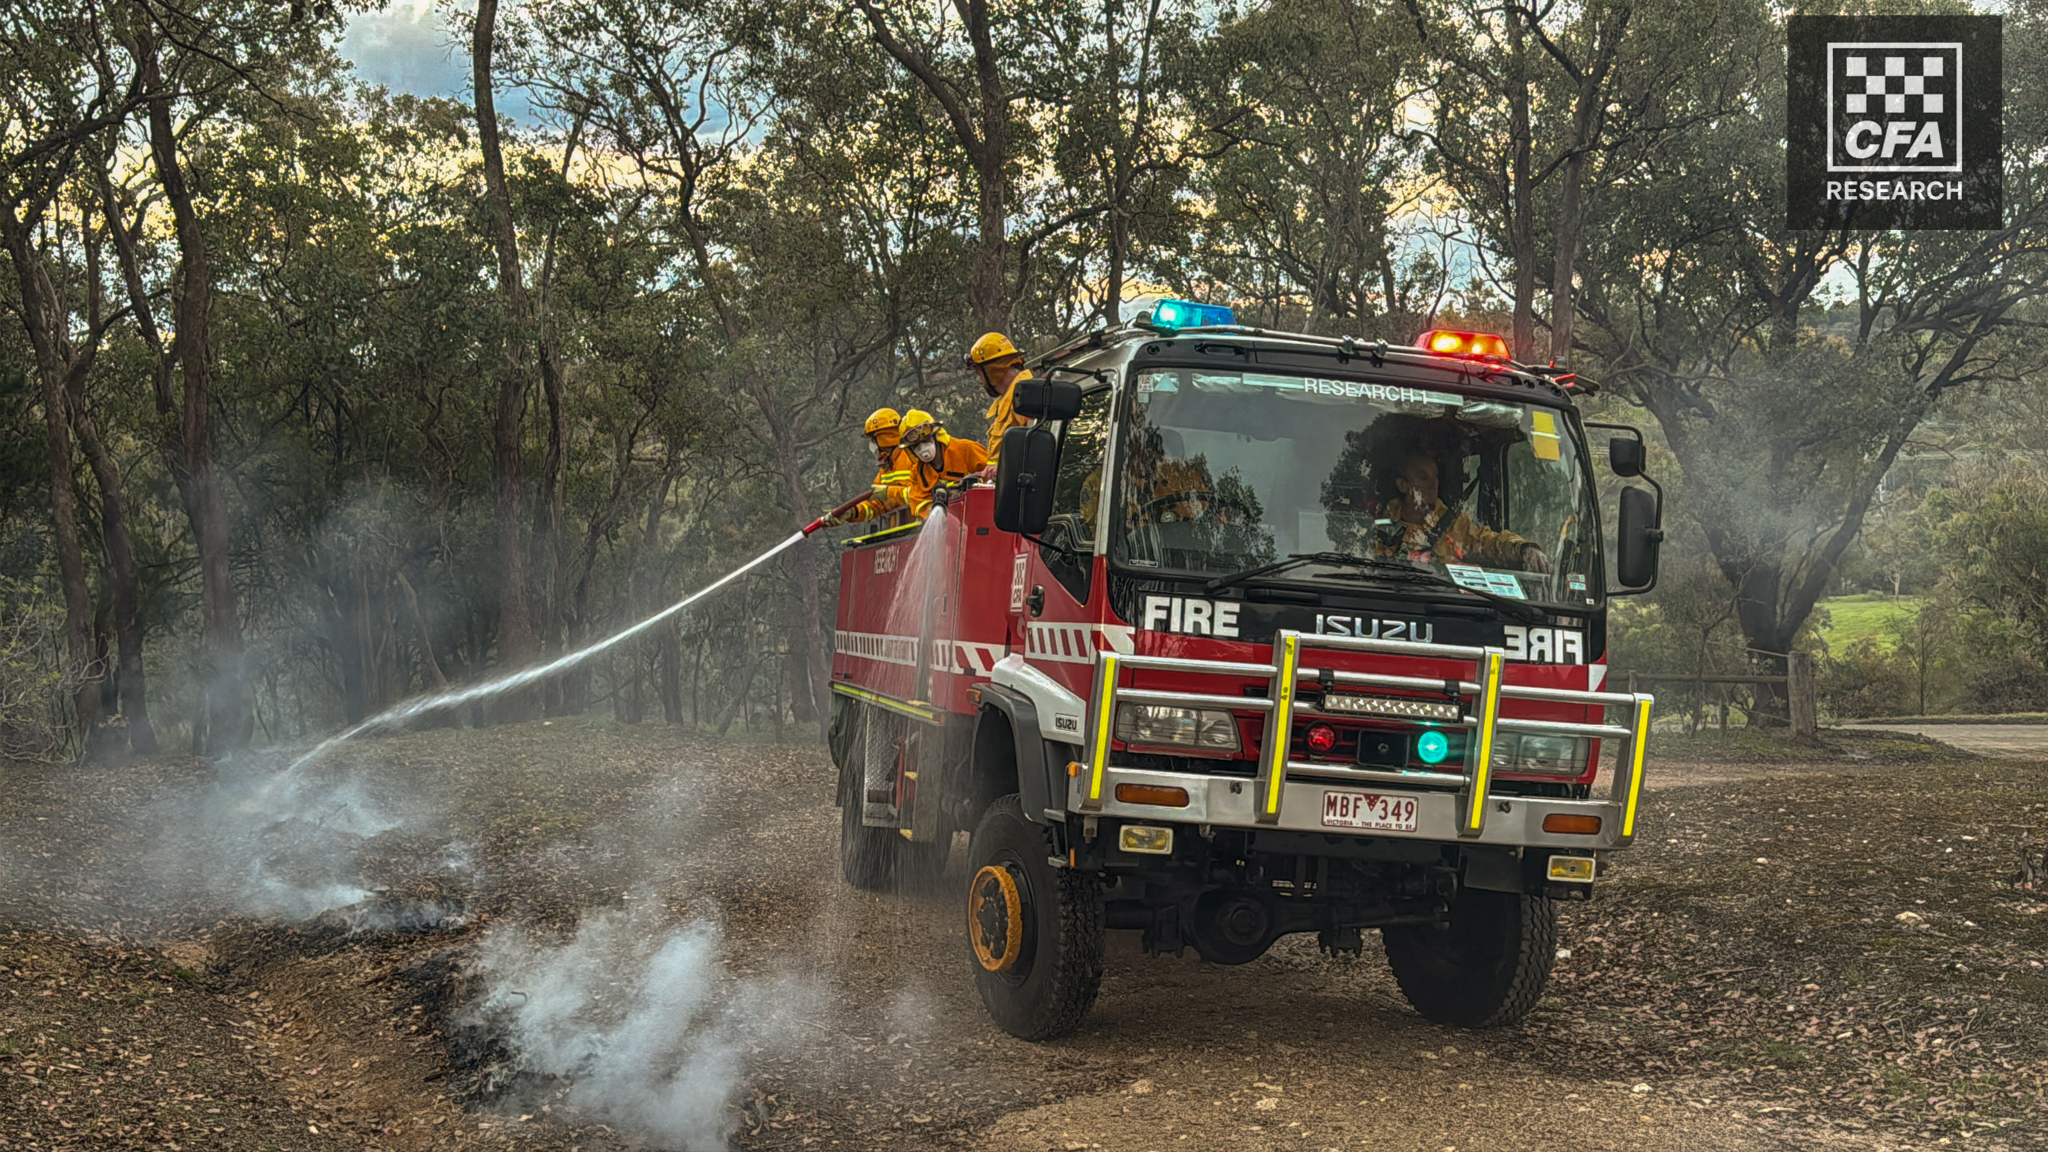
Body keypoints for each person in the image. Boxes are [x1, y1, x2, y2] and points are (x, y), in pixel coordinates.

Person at [1379, 452, 1551, 572]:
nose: (1433, 485)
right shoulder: (1379, 525)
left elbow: (1489, 542)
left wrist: (1525, 549)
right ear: (1402, 485)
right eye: (1423, 478)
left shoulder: (1455, 525)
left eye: (1436, 478)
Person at [823, 408, 916, 527]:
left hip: (920, 528)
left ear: (884, 437)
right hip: (901, 532)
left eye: (873, 439)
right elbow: (876, 504)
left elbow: (920, 494)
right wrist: (851, 512)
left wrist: (888, 493)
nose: (872, 445)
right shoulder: (886, 467)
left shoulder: (912, 457)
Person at [898, 409, 989, 519]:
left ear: (936, 435)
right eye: (915, 446)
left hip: (981, 516)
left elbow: (993, 476)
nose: (922, 448)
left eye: (926, 440)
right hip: (951, 527)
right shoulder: (917, 474)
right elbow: (918, 504)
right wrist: (932, 510)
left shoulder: (967, 450)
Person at [968, 332, 1031, 469]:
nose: (980, 381)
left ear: (993, 370)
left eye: (980, 373)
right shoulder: (1008, 402)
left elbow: (1032, 453)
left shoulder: (1027, 397)